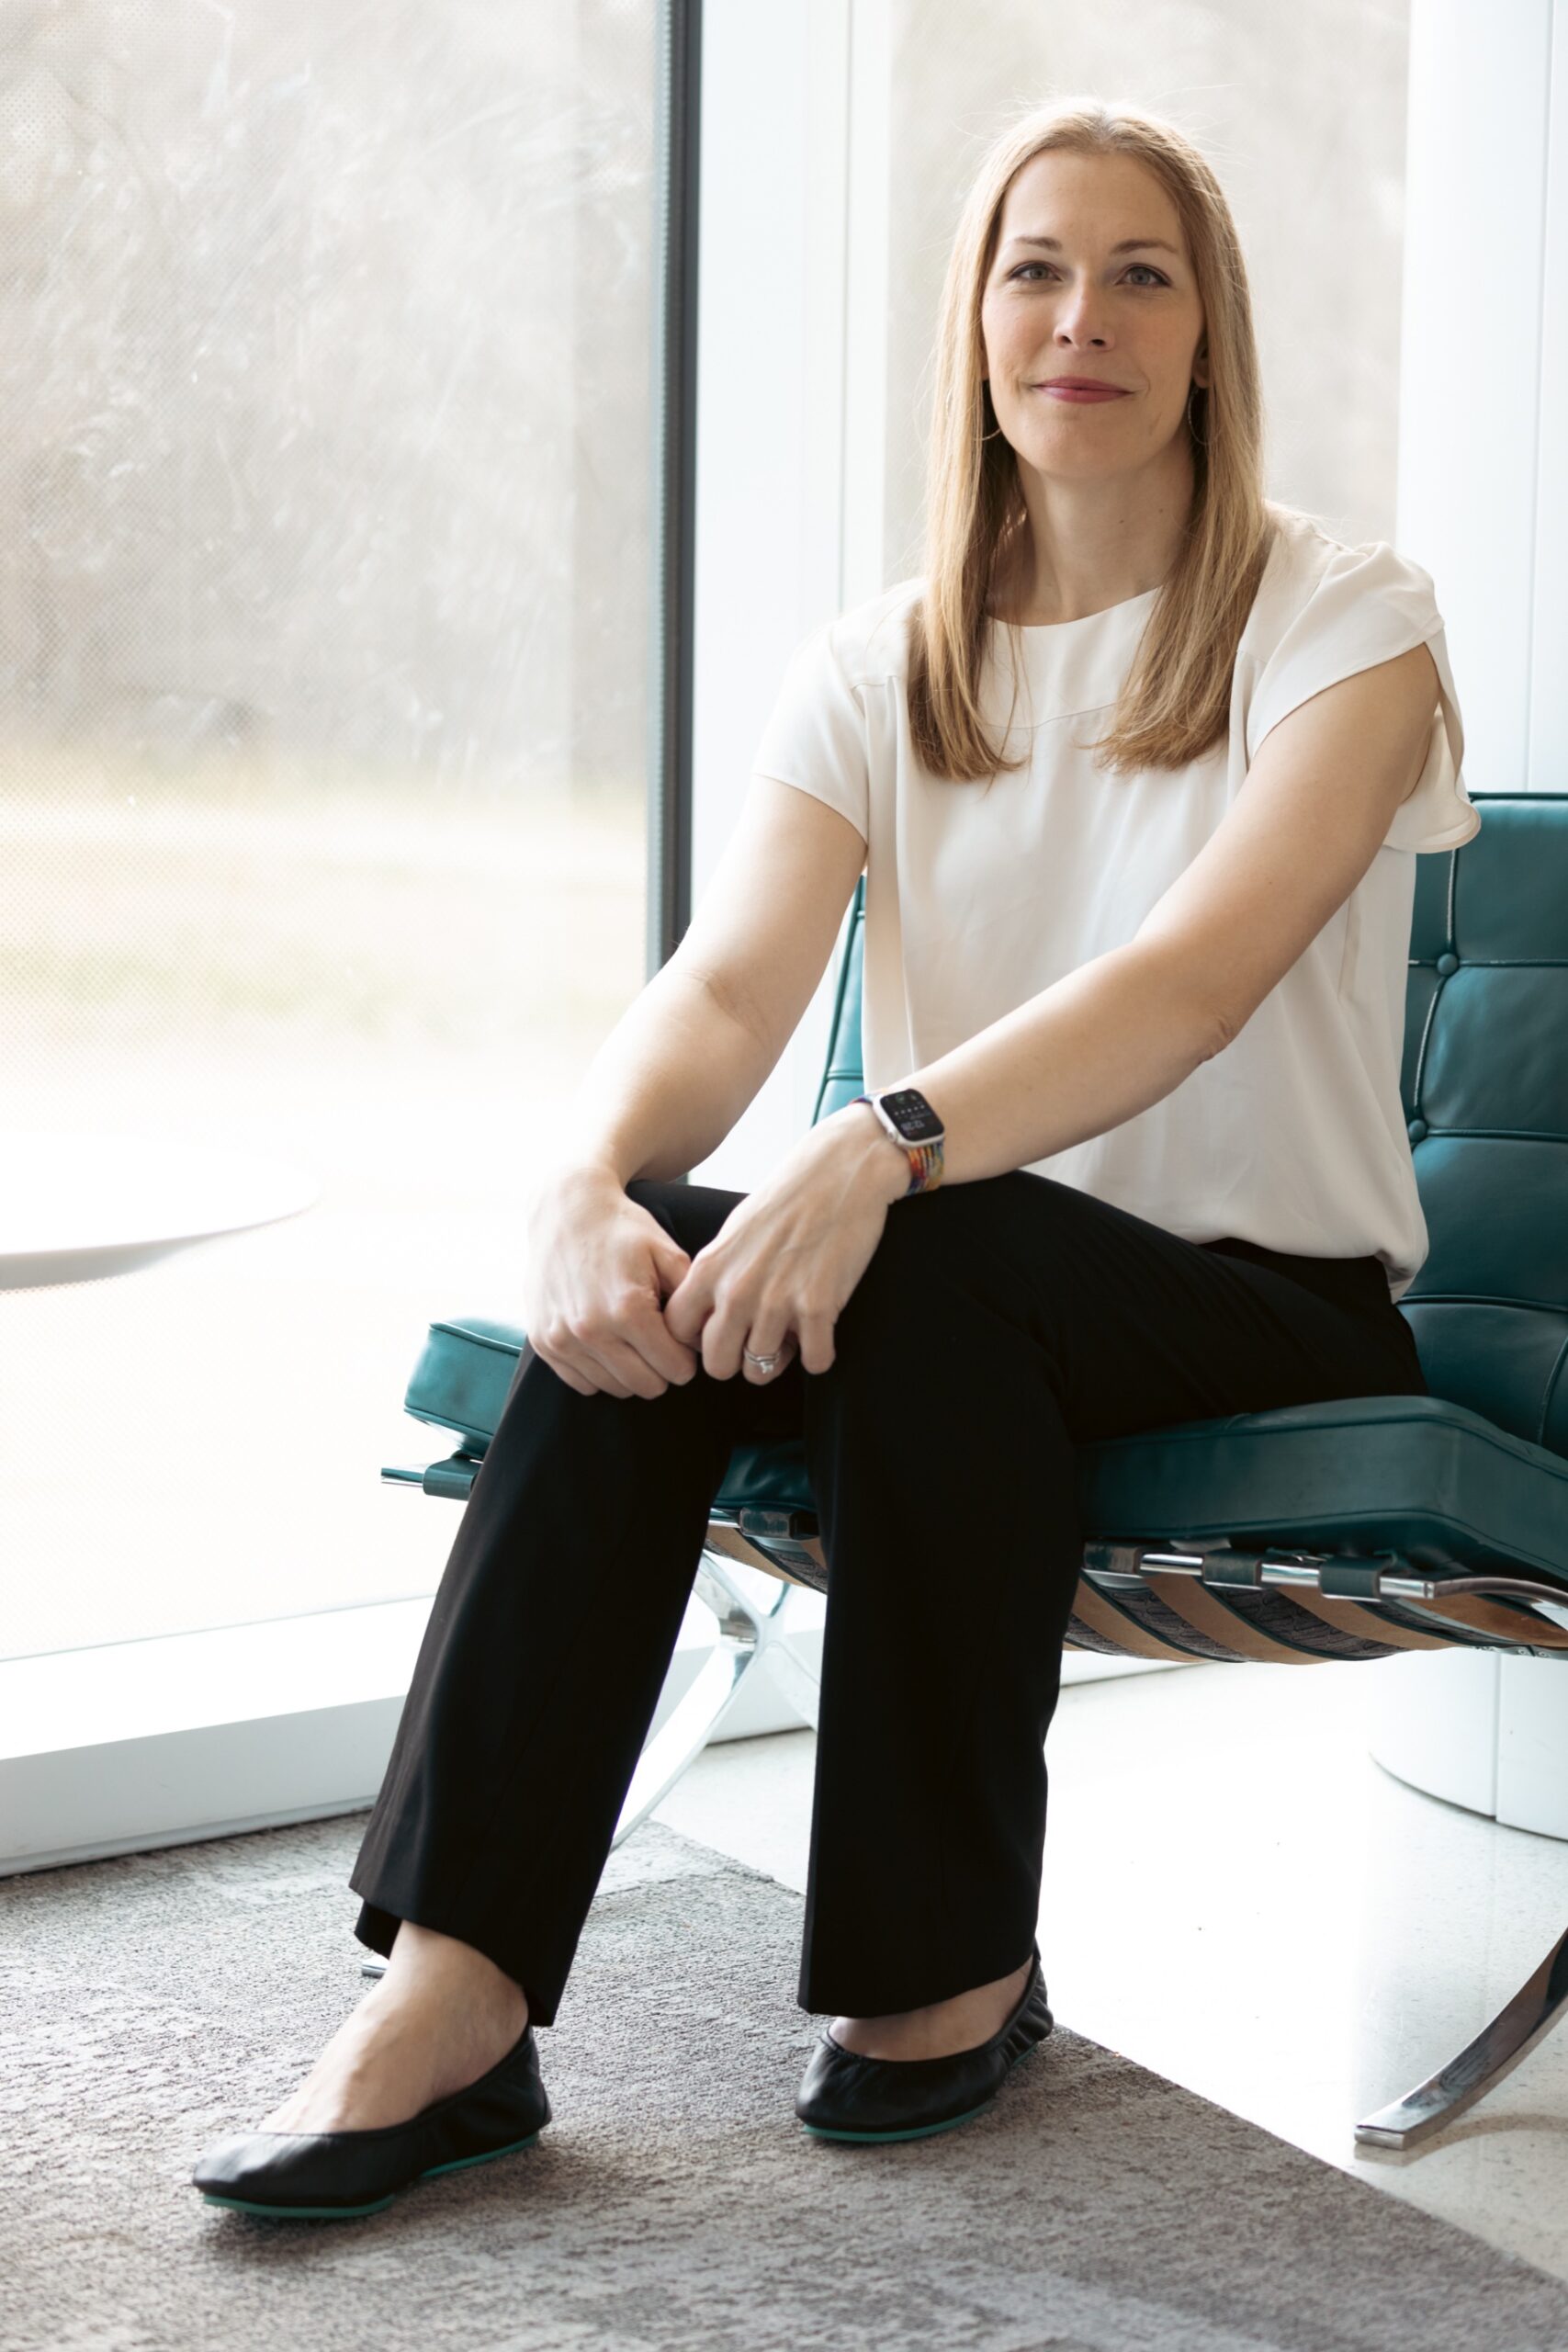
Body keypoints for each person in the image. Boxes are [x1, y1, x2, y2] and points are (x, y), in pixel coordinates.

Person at [192, 94, 1475, 2218]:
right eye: (1033, 267)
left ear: (1207, 334)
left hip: (1253, 1294)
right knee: (653, 1290)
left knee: (932, 1249)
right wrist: (581, 1188)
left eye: (1139, 272)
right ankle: (452, 1991)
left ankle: (936, 1963)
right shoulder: (879, 662)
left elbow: (1196, 972)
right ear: (973, 323)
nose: (1082, 315)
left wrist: (883, 1136)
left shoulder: (1342, 620)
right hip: (954, 1275)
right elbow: (720, 990)